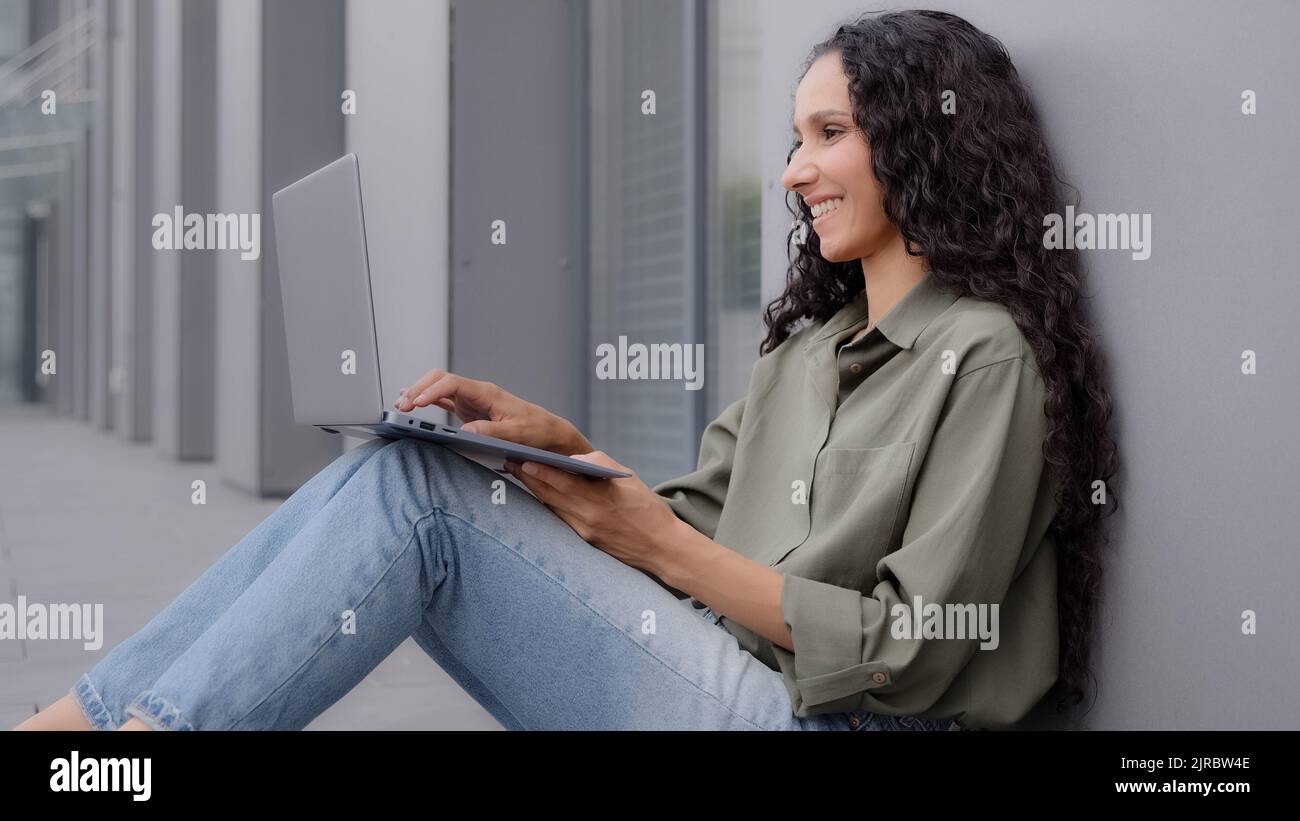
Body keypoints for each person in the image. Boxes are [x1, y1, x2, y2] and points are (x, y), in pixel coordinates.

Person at [16, 9, 1117, 732]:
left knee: (418, 495)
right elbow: (687, 526)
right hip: (716, 670)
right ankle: (89, 731)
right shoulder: (807, 352)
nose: (795, 171)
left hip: (817, 719)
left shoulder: (985, 357)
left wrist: (662, 542)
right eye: (794, 138)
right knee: (412, 468)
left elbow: (910, 651)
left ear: (922, 142)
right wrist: (551, 448)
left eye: (828, 133)